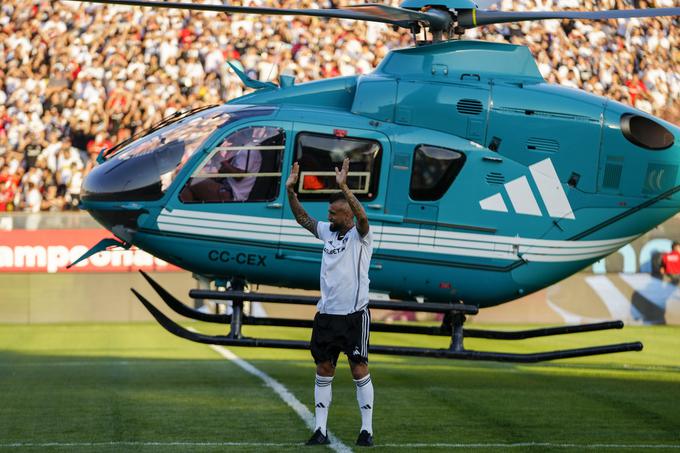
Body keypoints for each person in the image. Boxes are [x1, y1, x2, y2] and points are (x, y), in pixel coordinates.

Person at [286, 157, 374, 447]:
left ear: (347, 214)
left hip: (353, 315)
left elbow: (363, 218)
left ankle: (366, 430)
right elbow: (304, 220)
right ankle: (320, 430)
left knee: (358, 368)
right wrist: (290, 192)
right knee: (324, 369)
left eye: (335, 213)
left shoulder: (361, 236)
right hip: (327, 314)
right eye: (330, 213)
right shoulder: (328, 232)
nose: (330, 217)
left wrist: (345, 188)